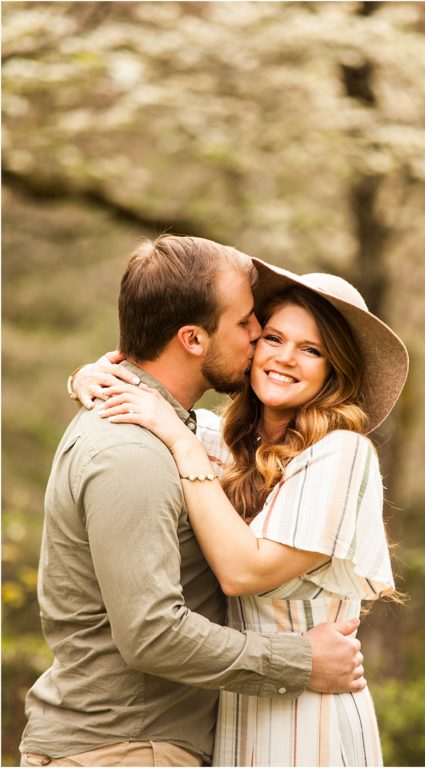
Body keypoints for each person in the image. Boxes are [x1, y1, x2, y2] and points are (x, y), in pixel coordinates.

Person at [20, 236, 366, 768]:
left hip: (159, 742)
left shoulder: (185, 435)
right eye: (252, 325)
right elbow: (154, 634)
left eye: (311, 349)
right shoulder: (135, 448)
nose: (257, 340)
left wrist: (86, 377)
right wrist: (301, 661)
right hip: (128, 748)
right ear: (193, 339)